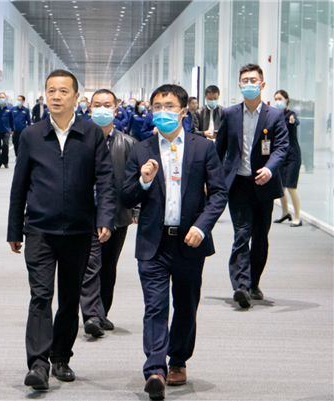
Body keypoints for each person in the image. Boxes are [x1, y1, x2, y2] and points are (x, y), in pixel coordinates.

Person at [7, 69, 115, 391]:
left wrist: (104, 218)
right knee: (41, 296)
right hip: (40, 229)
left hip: (79, 231)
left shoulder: (91, 134)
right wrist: (14, 229)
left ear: (76, 97)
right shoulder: (31, 135)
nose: (56, 96)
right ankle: (38, 365)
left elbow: (105, 180)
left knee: (69, 299)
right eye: (51, 90)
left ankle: (61, 356)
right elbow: (19, 185)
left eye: (63, 91)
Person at [121, 84, 228, 401]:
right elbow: (125, 196)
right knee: (155, 306)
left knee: (185, 305)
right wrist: (143, 180)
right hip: (153, 242)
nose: (162, 112)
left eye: (169, 106)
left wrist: (202, 227)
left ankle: (178, 360)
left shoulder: (202, 148)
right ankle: (155, 369)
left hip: (189, 242)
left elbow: (218, 194)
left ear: (183, 111)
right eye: (157, 106)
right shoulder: (141, 149)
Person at [216, 64, 289, 308]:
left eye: (253, 80)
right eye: (245, 80)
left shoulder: (274, 115)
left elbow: (281, 147)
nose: (249, 84)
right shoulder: (229, 114)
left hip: (264, 184)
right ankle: (241, 286)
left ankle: (254, 282)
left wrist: (269, 169)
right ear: (239, 85)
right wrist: (212, 179)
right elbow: (219, 149)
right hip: (238, 184)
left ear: (262, 84)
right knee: (241, 234)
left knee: (260, 237)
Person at [80, 89, 136, 338]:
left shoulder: (128, 143)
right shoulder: (79, 140)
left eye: (107, 105)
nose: (101, 109)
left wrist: (135, 209)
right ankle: (91, 314)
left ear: (116, 110)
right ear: (89, 108)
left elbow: (134, 180)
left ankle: (101, 312)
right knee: (90, 264)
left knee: (108, 266)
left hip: (117, 214)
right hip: (85, 213)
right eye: (97, 104)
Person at [273, 90, 302, 227]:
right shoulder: (274, 115)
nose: (277, 101)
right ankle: (285, 213)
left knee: (291, 186)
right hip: (281, 155)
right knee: (281, 187)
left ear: (286, 100)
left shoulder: (291, 114)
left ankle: (297, 217)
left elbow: (296, 121)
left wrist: (293, 121)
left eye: (280, 98)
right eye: (276, 99)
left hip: (292, 155)